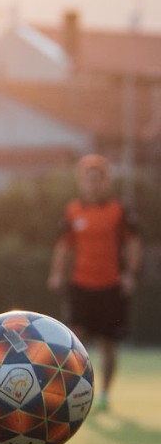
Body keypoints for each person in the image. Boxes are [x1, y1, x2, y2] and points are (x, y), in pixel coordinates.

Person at [47, 154, 141, 412]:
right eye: (88, 179)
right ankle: (75, 391)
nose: (93, 184)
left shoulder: (118, 211)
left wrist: (130, 274)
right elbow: (64, 245)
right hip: (81, 285)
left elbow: (133, 243)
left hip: (110, 286)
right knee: (74, 342)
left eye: (97, 180)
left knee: (108, 344)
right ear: (82, 181)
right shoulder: (73, 211)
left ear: (105, 182)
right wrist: (56, 273)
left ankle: (105, 394)